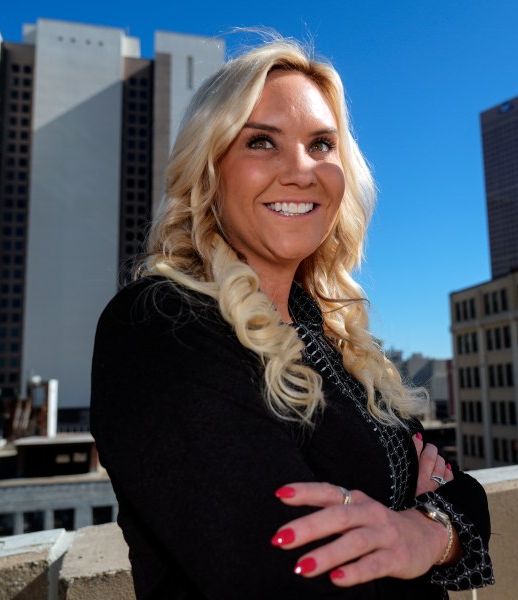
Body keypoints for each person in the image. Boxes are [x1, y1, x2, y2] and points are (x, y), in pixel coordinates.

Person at [91, 37, 494, 599]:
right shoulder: (162, 325)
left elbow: (462, 490)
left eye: (321, 145)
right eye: (261, 142)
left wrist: (425, 532)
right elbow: (288, 575)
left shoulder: (329, 332)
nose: (301, 172)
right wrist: (417, 515)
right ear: (209, 172)